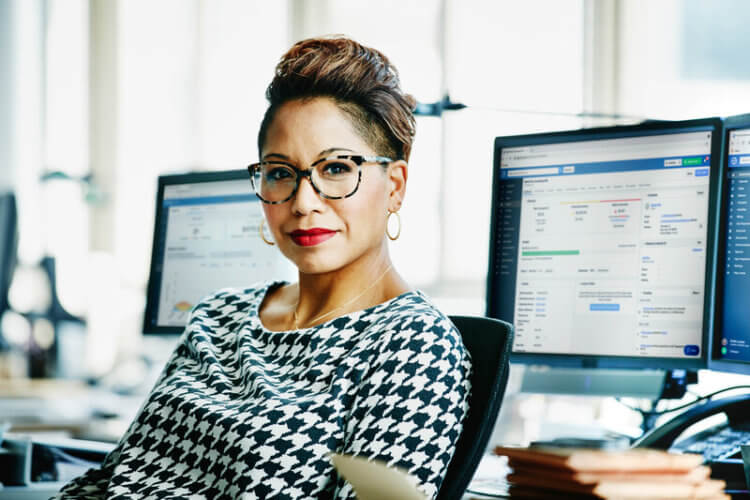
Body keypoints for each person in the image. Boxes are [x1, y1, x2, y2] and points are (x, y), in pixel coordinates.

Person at [57, 36, 471, 499]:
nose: (303, 203)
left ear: (394, 186)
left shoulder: (414, 345)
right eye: (280, 173)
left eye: (335, 169)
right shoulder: (218, 317)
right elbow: (111, 478)